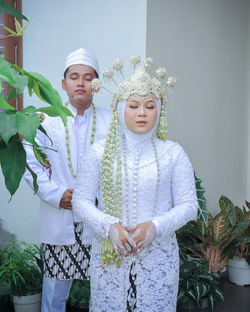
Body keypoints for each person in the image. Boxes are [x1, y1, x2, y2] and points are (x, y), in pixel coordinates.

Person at [72, 56, 198, 312]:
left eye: (150, 106)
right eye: (134, 105)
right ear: (120, 109)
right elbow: (80, 201)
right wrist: (109, 227)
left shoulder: (173, 153)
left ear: (159, 110)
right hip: (110, 254)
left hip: (159, 256)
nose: (142, 113)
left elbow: (189, 206)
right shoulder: (99, 153)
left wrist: (154, 227)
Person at [24, 48, 112, 312]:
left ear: (96, 85)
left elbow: (121, 167)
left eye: (88, 77)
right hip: (58, 214)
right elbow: (32, 164)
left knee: (105, 289)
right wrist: (55, 195)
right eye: (74, 77)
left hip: (99, 218)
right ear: (63, 84)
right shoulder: (43, 120)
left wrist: (100, 197)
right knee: (54, 291)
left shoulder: (113, 121)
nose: (81, 83)